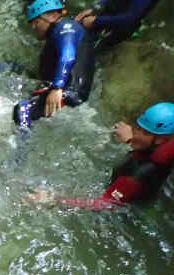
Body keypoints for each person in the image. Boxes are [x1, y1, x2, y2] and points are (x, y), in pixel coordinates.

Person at [29, 102, 174, 208]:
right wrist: (131, 140)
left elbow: (104, 204)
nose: (135, 132)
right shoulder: (162, 149)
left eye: (145, 132)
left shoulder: (135, 177)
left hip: (128, 207)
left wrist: (55, 199)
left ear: (161, 140)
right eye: (138, 127)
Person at [14, 0, 96, 131]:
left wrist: (57, 88)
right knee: (14, 69)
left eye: (36, 22)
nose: (33, 27)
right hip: (64, 87)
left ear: (51, 16)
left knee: (22, 109)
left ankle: (20, 150)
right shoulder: (57, 33)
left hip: (70, 92)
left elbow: (68, 55)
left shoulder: (66, 27)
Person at [75, 0, 158, 49]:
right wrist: (97, 8)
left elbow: (132, 17)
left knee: (95, 50)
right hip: (110, 15)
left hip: (123, 26)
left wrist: (97, 21)